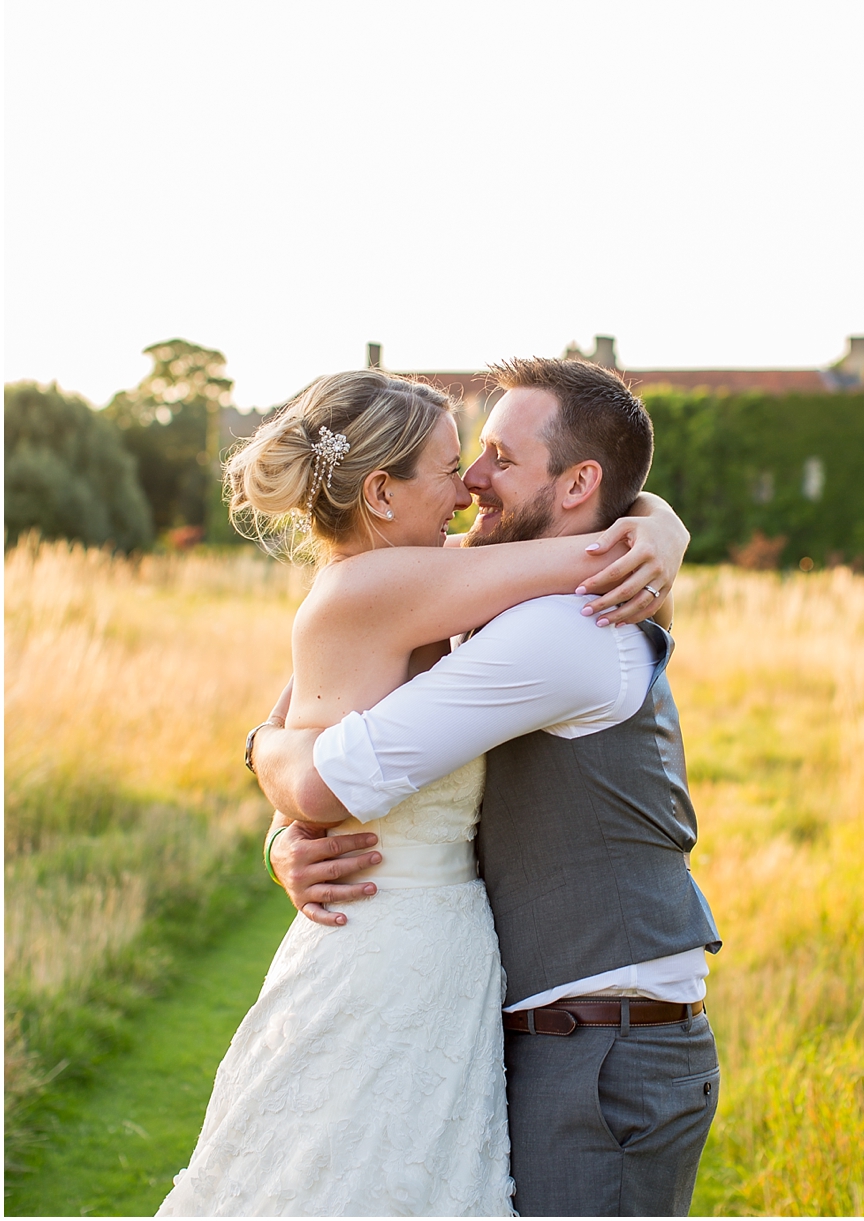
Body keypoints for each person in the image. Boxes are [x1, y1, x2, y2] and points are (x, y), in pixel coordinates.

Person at [156, 366, 688, 1219]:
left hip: (436, 953)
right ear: (379, 492)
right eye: (452, 465)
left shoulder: (425, 584)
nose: (469, 484)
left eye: (486, 459)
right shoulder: (384, 586)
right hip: (394, 941)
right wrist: (655, 528)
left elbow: (293, 727)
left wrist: (655, 518)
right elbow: (314, 767)